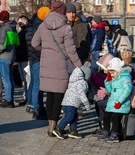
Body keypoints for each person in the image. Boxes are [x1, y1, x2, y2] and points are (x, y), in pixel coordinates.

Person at [31, 1, 82, 137]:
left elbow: (34, 43)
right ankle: (54, 126)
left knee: (50, 96)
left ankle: (50, 126)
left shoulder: (43, 25)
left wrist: (46, 50)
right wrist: (79, 66)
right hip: (60, 66)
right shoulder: (66, 28)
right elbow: (71, 51)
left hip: (46, 65)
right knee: (59, 96)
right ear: (63, 11)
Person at [53, 62, 91, 140]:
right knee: (69, 116)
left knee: (74, 116)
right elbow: (81, 94)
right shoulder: (82, 83)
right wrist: (87, 104)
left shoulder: (73, 81)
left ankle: (73, 130)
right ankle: (59, 128)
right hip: (72, 103)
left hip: (66, 103)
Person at [98, 57, 132, 143]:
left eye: (113, 72)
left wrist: (120, 101)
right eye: (110, 73)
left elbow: (127, 90)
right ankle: (106, 131)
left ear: (119, 70)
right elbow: (109, 90)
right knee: (106, 116)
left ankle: (115, 134)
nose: (112, 74)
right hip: (112, 104)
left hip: (122, 104)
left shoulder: (125, 78)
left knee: (115, 118)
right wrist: (108, 81)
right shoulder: (114, 79)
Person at [26, 7, 50, 119]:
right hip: (38, 58)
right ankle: (37, 109)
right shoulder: (41, 27)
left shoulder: (32, 26)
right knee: (37, 85)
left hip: (33, 58)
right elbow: (37, 45)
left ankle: (35, 106)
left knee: (35, 83)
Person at [0, 10, 20, 108]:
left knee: (5, 79)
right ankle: (10, 98)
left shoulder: (4, 28)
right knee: (10, 79)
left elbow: (2, 44)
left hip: (4, 56)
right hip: (12, 55)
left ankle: (8, 100)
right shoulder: (13, 27)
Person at [15, 15, 31, 106]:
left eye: (20, 22)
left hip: (26, 58)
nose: (19, 24)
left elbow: (28, 46)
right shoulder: (22, 31)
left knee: (27, 79)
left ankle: (28, 98)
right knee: (24, 80)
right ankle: (25, 96)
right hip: (21, 58)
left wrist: (29, 58)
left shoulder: (27, 31)